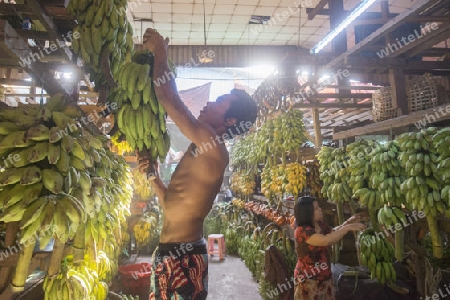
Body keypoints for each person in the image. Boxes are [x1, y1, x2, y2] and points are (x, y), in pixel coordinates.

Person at [138, 28, 257, 300]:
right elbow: (174, 204)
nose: (208, 103)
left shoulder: (212, 144)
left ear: (230, 121)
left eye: (218, 102)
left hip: (184, 258)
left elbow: (169, 99)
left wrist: (161, 52)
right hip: (172, 253)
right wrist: (154, 177)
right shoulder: (201, 147)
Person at [293, 196, 366, 300]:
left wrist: (349, 221)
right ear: (308, 213)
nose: (320, 209)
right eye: (316, 208)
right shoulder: (301, 231)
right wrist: (348, 228)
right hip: (309, 280)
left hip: (325, 277)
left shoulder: (318, 225)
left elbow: (333, 232)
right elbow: (326, 240)